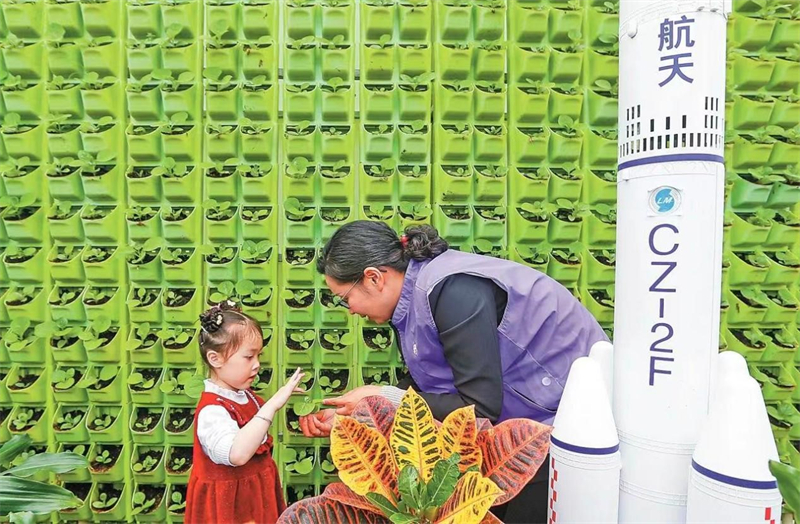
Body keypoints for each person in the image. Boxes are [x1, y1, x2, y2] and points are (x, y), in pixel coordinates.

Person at [298, 221, 609, 523]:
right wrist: (362, 414)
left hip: (562, 421)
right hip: (521, 417)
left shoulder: (454, 292)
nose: (351, 310)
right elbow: (429, 379)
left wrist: (384, 395)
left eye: (345, 299)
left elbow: (479, 407)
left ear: (374, 278)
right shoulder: (412, 299)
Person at [186, 300, 306, 524]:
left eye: (259, 355)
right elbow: (237, 454)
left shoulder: (245, 396)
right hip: (229, 508)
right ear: (215, 359)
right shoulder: (212, 411)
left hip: (255, 497)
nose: (257, 364)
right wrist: (273, 404)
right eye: (249, 357)